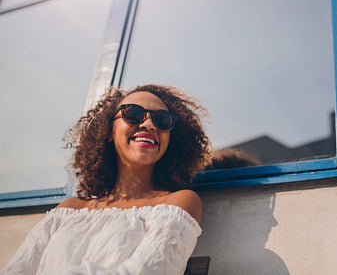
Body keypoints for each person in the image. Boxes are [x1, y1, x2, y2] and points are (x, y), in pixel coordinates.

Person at [1, 84, 212, 275]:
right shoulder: (68, 209)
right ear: (108, 131)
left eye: (162, 120)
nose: (149, 124)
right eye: (133, 114)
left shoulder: (178, 204)